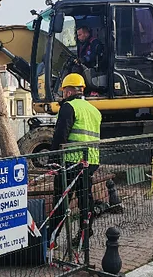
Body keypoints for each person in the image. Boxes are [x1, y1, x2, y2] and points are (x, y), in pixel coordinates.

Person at [48, 73, 102, 246]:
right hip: (90, 162)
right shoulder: (94, 110)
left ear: (69, 92)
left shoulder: (69, 107)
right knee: (85, 200)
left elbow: (60, 136)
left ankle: (51, 239)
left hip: (71, 163)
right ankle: (85, 234)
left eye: (64, 91)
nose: (63, 95)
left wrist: (53, 161)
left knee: (61, 202)